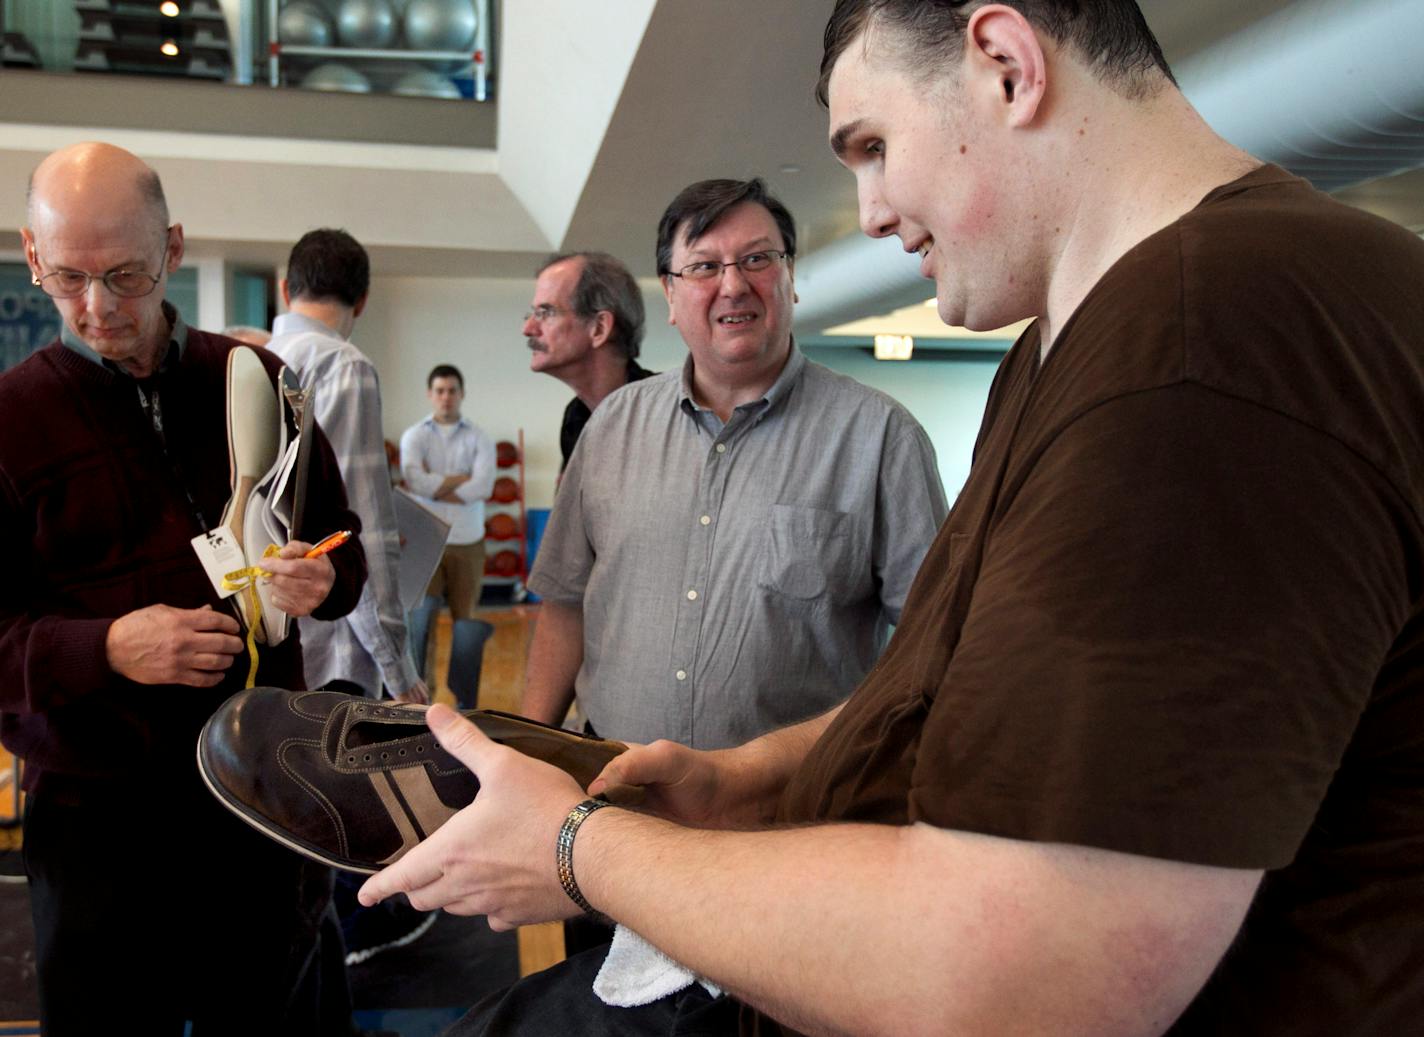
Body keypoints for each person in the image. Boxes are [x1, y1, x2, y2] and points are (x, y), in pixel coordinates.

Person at [356, 2, 1424, 1035]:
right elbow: (954, 687)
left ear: (1004, 65)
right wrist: (748, 779)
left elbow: (1019, 985)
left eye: (870, 145)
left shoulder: (1205, 340)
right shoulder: (1074, 343)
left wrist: (575, 844)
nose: (863, 210)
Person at [0, 142, 367, 1034]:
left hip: (257, 797)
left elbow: (344, 559)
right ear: (31, 253)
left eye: (125, 274)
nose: (98, 308)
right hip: (96, 820)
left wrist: (324, 578)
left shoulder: (261, 382)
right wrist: (109, 646)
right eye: (68, 278)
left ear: (172, 247)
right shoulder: (12, 419)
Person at [521, 177, 947, 751]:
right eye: (703, 267)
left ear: (791, 280)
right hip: (612, 786)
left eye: (757, 259)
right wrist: (531, 751)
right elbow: (565, 606)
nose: (733, 285)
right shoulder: (611, 429)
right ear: (670, 297)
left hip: (789, 809)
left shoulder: (881, 439)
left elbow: (933, 643)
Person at [267, 228, 427, 705]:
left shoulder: (253, 359)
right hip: (330, 644)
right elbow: (361, 529)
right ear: (361, 301)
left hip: (272, 628)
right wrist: (399, 670)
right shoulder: (342, 365)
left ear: (285, 290)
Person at [399, 364, 496, 683]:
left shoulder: (480, 438)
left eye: (452, 390)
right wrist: (459, 481)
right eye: (440, 391)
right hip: (426, 543)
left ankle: (465, 699)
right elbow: (414, 483)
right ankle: (420, 695)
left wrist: (435, 484)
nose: (446, 397)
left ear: (462, 394)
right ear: (430, 395)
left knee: (465, 624)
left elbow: (482, 488)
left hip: (468, 542)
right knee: (420, 622)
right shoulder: (413, 436)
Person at [522, 251, 654, 471]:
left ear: (599, 328)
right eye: (532, 313)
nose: (527, 329)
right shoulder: (575, 418)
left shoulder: (668, 413)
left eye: (546, 312)